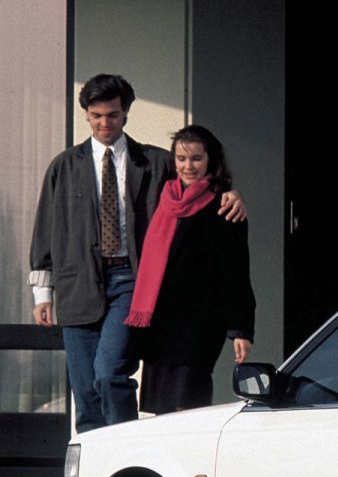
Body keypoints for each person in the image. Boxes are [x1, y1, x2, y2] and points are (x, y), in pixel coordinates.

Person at [29, 73, 245, 433]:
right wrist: (42, 292)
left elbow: (193, 189)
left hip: (131, 282)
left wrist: (231, 194)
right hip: (77, 285)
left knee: (110, 373)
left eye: (112, 115)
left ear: (126, 113)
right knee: (85, 390)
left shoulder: (155, 162)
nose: (104, 123)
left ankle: (125, 455)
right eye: (96, 115)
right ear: (86, 115)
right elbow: (45, 230)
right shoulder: (64, 166)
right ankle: (94, 474)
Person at [126, 125, 256, 413]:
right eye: (182, 159)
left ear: (211, 160)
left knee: (187, 405)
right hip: (160, 324)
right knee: (158, 410)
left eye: (196, 158)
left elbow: (236, 274)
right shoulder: (162, 199)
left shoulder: (224, 207)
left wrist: (241, 329)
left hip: (199, 325)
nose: (188, 166)